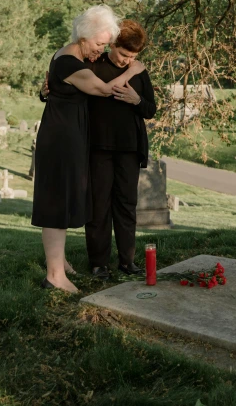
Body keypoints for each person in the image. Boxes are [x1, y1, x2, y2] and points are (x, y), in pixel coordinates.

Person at [32, 5, 145, 293]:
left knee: (64, 199)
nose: (102, 49)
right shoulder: (70, 61)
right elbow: (104, 90)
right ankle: (55, 276)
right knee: (57, 202)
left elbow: (52, 89)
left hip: (67, 134)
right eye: (99, 43)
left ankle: (60, 263)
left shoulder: (69, 55)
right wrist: (133, 70)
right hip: (61, 138)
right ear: (84, 37)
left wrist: (44, 91)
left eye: (105, 44)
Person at [85, 19, 156, 279]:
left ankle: (127, 261)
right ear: (112, 44)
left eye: (133, 57)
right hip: (98, 147)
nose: (128, 60)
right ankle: (98, 263)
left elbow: (150, 109)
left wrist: (137, 100)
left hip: (129, 147)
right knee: (98, 205)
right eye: (124, 54)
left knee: (126, 204)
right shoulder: (94, 64)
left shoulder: (139, 71)